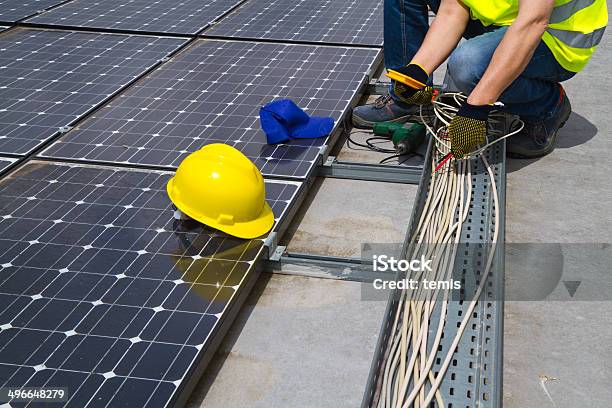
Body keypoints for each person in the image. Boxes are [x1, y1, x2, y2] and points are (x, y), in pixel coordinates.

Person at [352, 0, 608, 158]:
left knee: (468, 66)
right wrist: (418, 70)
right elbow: (453, 9)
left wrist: (476, 108)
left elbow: (533, 22)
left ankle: (548, 105)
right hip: (509, 20)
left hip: (558, 37)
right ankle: (407, 97)